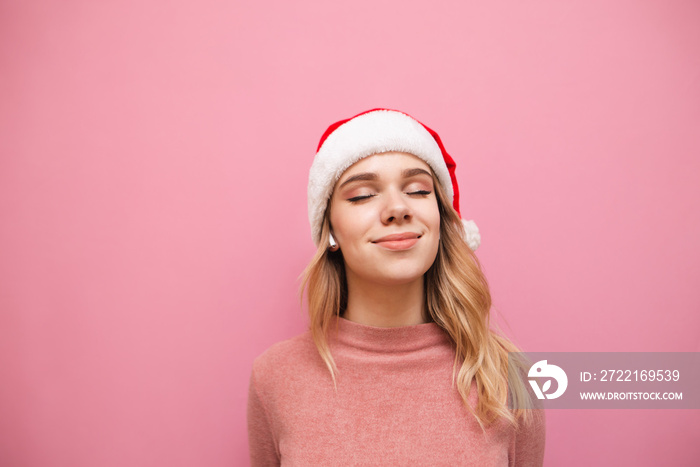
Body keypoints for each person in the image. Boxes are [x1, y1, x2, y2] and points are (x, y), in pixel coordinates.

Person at [247, 108, 546, 466]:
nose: (397, 208)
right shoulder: (276, 377)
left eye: (418, 190)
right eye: (361, 195)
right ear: (330, 231)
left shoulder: (511, 378)